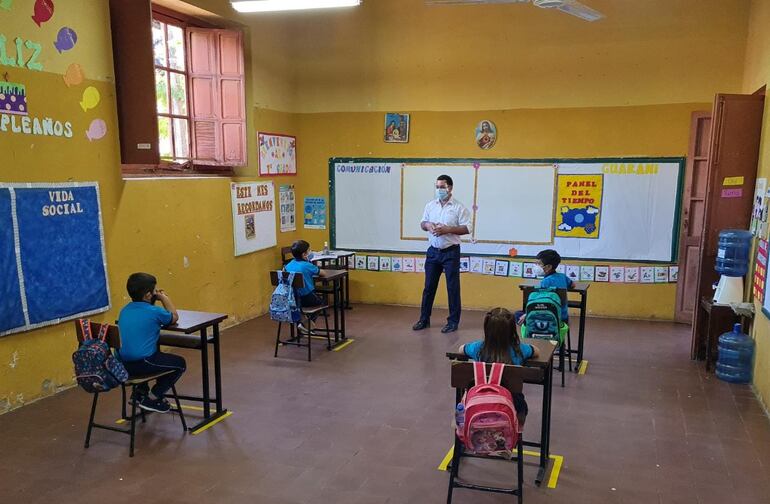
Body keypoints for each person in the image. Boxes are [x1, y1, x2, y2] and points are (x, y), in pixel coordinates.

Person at [117, 273, 185, 413]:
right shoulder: (154, 312)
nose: (156, 293)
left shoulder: (124, 311)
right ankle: (153, 397)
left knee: (153, 352)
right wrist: (164, 298)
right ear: (148, 295)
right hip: (143, 363)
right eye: (154, 291)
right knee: (180, 364)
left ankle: (139, 394)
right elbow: (174, 317)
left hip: (123, 365)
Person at [413, 175, 472, 333]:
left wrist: (448, 229)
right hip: (433, 252)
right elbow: (422, 223)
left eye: (442, 187)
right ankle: (424, 319)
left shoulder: (459, 207)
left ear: (450, 188)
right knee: (428, 287)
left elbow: (467, 228)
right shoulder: (430, 205)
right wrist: (428, 225)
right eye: (437, 187)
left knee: (452, 288)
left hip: (450, 252)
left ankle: (453, 322)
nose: (439, 190)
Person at [459, 308, 539, 424]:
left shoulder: (478, 348)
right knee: (520, 404)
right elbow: (536, 351)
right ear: (512, 330)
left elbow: (461, 349)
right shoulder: (519, 349)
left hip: (479, 403)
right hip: (512, 404)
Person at [518, 249, 574, 324]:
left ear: (548, 267)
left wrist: (526, 314)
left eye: (539, 264)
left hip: (548, 317)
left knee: (517, 314)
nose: (536, 266)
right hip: (563, 317)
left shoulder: (545, 282)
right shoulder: (563, 276)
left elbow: (541, 304)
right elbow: (573, 285)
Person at [284, 239, 324, 330]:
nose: (310, 252)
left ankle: (302, 319)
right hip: (306, 297)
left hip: (292, 299)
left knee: (302, 304)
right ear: (304, 254)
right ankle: (308, 324)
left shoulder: (288, 265)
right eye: (309, 250)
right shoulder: (307, 265)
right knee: (321, 302)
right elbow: (323, 273)